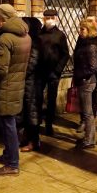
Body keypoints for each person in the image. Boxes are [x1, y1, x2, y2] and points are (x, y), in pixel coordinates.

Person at [0, 4, 31, 175]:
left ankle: (13, 164)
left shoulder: (5, 39)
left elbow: (0, 69)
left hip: (6, 87)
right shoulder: (25, 36)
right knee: (9, 123)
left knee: (8, 126)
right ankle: (8, 155)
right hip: (17, 85)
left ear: (1, 19)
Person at [28, 9, 69, 143]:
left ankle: (49, 124)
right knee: (37, 98)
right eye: (47, 18)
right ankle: (37, 122)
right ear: (44, 19)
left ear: (56, 18)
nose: (49, 20)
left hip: (53, 73)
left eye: (52, 17)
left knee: (51, 99)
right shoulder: (39, 34)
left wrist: (57, 70)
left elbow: (65, 54)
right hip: (40, 72)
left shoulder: (60, 35)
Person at [73, 19, 97, 149]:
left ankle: (89, 140)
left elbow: (93, 67)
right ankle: (89, 137)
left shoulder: (91, 47)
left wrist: (80, 75)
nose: (80, 31)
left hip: (87, 82)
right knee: (85, 112)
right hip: (83, 80)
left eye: (82, 29)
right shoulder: (84, 44)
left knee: (87, 113)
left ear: (89, 31)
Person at [19, 17, 43, 152]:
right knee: (27, 112)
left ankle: (34, 141)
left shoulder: (36, 42)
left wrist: (21, 73)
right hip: (28, 82)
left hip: (33, 83)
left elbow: (32, 63)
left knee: (32, 113)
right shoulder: (30, 41)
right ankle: (27, 139)